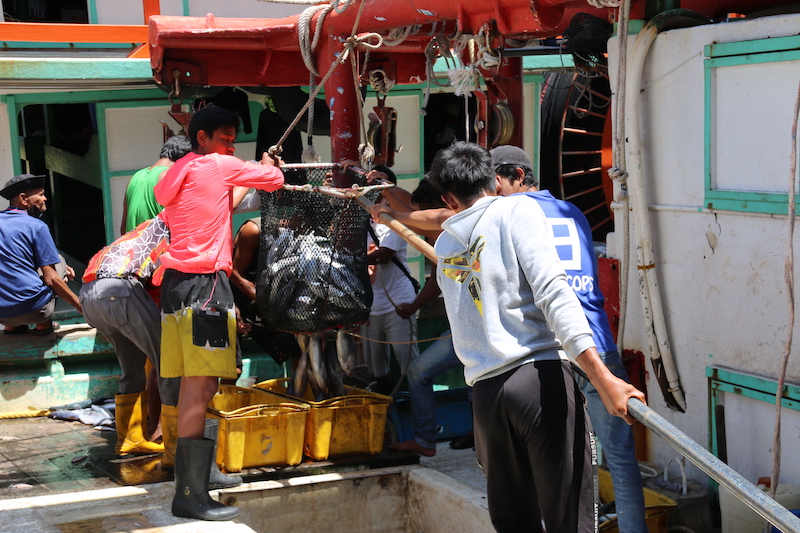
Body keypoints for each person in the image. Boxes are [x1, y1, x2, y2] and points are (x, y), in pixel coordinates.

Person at [426, 141, 644, 533]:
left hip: (488, 398)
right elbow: (554, 294)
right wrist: (603, 378)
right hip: (538, 381)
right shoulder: (518, 210)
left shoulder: (446, 243)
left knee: (516, 524)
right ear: (493, 179)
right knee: (570, 519)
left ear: (447, 197)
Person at [154, 104, 284, 521]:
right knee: (201, 387)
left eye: (233, 139)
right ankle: (190, 495)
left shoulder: (180, 172)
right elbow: (275, 180)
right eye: (225, 138)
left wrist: (248, 166)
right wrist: (265, 163)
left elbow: (227, 199)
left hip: (175, 286)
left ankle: (200, 477)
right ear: (203, 138)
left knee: (196, 385)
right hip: (204, 286)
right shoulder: (217, 164)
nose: (231, 145)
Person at [81, 214, 242, 490]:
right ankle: (173, 452)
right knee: (168, 364)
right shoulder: (174, 232)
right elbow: (160, 283)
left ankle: (129, 441)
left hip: (90, 294)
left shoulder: (140, 231)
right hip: (121, 290)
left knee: (131, 368)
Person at [361, 165, 419, 395]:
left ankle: (419, 417)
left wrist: (355, 259)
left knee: (409, 364)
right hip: (373, 307)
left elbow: (384, 255)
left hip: (398, 303)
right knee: (377, 369)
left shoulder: (395, 219)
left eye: (379, 185)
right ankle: (387, 412)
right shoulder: (363, 222)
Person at [0, 174, 81, 335]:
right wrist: (82, 307)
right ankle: (43, 324)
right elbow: (52, 279)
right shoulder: (37, 226)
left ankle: (12, 326)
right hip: (35, 310)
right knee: (58, 260)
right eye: (41, 194)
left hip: (2, 314)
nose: (45, 199)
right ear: (23, 199)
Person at [120, 135, 192, 234]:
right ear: (185, 159)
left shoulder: (135, 177)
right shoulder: (169, 176)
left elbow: (123, 226)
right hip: (157, 247)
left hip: (133, 247)